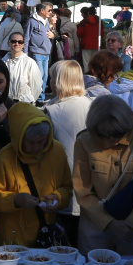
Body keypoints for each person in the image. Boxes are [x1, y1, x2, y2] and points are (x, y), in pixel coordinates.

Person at [72, 94, 133, 255]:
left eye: (118, 134)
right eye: (105, 135)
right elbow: (82, 191)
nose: (113, 140)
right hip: (95, 223)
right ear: (95, 129)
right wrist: (108, 223)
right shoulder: (84, 141)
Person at [0, 103, 72, 247]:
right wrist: (16, 200)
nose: (36, 147)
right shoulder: (4, 158)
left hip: (48, 239)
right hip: (15, 242)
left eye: (41, 141)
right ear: (18, 137)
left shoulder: (58, 151)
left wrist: (57, 198)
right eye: (30, 142)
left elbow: (67, 189)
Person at [44, 60, 92, 232]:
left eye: (52, 78)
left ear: (58, 81)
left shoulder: (51, 111)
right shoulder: (92, 105)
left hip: (61, 185)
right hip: (90, 187)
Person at [24, 3, 55, 96]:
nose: (50, 12)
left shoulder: (45, 21)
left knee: (45, 77)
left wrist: (53, 35)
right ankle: (36, 96)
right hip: (36, 52)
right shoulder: (31, 21)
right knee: (39, 76)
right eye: (49, 10)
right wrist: (25, 53)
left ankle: (40, 98)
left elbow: (48, 34)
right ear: (42, 10)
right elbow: (26, 37)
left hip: (45, 53)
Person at [3, 31, 42, 103]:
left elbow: (37, 85)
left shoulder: (30, 62)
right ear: (8, 43)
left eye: (20, 42)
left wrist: (29, 99)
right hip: (7, 102)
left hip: (24, 103)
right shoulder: (3, 62)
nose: (16, 44)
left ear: (23, 44)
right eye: (13, 41)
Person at [77, 6, 102, 70]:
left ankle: (87, 78)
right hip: (97, 45)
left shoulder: (84, 21)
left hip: (86, 45)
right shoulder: (99, 21)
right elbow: (102, 33)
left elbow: (79, 33)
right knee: (95, 63)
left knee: (86, 63)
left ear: (88, 13)